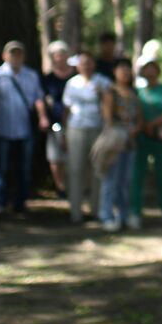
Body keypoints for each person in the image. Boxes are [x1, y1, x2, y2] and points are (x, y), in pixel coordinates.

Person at [0, 40, 47, 216]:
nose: (16, 57)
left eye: (19, 53)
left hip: (25, 129)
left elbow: (38, 98)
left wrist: (42, 117)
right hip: (1, 129)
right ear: (5, 56)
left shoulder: (31, 75)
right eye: (12, 53)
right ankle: (0, 202)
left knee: (24, 168)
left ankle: (20, 203)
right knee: (1, 168)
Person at [131, 43, 162, 228]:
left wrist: (153, 124)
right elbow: (134, 111)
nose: (150, 72)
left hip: (160, 137)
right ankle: (135, 211)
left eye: (152, 69)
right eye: (146, 69)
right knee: (137, 175)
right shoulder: (137, 92)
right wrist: (143, 126)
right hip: (141, 138)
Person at [63, 51, 109, 223]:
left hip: (97, 129)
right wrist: (63, 132)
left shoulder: (103, 82)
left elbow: (110, 105)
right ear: (77, 65)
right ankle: (75, 211)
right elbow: (66, 109)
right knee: (75, 169)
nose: (86, 66)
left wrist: (101, 94)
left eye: (89, 62)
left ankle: (97, 210)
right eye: (82, 63)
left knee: (98, 169)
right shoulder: (71, 83)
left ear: (93, 64)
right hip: (76, 129)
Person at [98, 59, 142, 232]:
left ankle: (123, 215)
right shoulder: (110, 92)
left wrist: (135, 130)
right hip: (114, 141)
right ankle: (107, 215)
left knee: (125, 180)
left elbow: (139, 117)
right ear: (114, 71)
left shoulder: (133, 93)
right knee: (111, 179)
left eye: (127, 69)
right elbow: (107, 118)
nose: (125, 72)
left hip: (130, 141)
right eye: (121, 68)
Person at [40, 40, 72, 197]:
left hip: (75, 123)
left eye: (62, 54)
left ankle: (74, 185)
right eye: (56, 55)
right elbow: (42, 99)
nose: (59, 58)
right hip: (56, 123)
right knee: (55, 156)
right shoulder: (48, 79)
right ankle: (61, 187)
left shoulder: (76, 75)